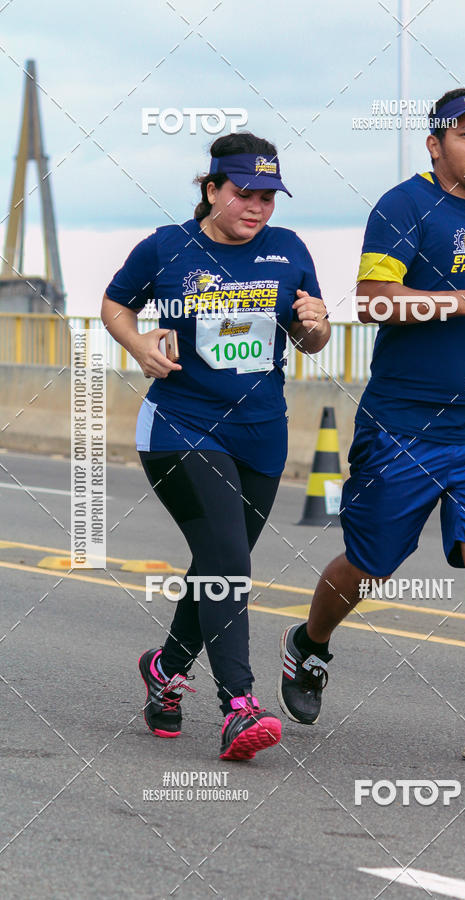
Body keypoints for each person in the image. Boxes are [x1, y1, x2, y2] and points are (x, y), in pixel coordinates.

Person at [278, 89, 465, 765]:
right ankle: (309, 644)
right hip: (404, 426)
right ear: (435, 145)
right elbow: (374, 301)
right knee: (371, 564)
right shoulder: (403, 206)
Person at [101, 132, 330, 760]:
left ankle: (165, 671)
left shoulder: (288, 251)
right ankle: (239, 704)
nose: (257, 208)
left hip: (260, 434)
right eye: (244, 194)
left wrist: (316, 327)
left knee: (216, 567)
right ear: (212, 191)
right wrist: (138, 343)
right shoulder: (168, 247)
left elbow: (312, 336)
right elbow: (115, 303)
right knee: (228, 555)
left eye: (268, 197)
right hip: (181, 425)